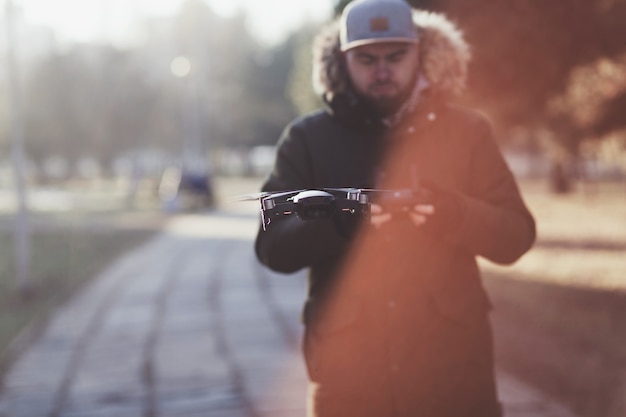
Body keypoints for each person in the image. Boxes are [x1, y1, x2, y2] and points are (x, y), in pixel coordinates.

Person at [255, 0, 536, 416]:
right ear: (342, 59)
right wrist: (339, 221)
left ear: (421, 51)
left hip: (454, 380)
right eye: (366, 59)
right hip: (348, 382)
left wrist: (456, 214)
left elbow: (517, 234)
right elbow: (271, 245)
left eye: (396, 56)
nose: (382, 70)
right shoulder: (307, 139)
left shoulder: (468, 131)